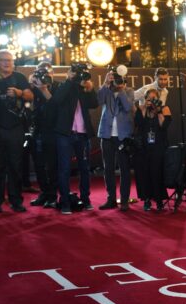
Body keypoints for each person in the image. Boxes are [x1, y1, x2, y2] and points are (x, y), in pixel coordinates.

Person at [0, 50, 34, 213]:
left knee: (15, 166)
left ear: (13, 63)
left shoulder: (19, 78)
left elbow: (30, 96)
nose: (6, 63)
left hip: (15, 128)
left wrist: (19, 93)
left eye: (9, 60)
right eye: (3, 60)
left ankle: (16, 201)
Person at [54, 65, 98, 215]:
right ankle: (65, 202)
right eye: (74, 73)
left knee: (85, 168)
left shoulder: (82, 88)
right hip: (65, 133)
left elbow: (94, 103)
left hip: (82, 134)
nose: (78, 76)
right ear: (68, 73)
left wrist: (89, 88)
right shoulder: (63, 86)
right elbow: (57, 100)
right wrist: (70, 81)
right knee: (64, 168)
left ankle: (86, 200)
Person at [97, 68, 134, 211]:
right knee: (108, 169)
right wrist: (106, 84)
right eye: (115, 78)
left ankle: (124, 200)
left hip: (123, 136)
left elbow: (127, 107)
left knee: (124, 169)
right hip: (106, 134)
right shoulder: (107, 90)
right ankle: (111, 199)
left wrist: (121, 90)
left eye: (119, 79)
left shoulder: (129, 91)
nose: (117, 81)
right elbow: (99, 100)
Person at [28, 62, 60, 208]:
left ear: (52, 73)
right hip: (37, 130)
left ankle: (53, 196)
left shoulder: (59, 86)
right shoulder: (34, 87)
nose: (44, 75)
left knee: (51, 166)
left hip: (53, 131)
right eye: (41, 72)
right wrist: (31, 85)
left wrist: (44, 88)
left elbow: (55, 105)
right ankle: (44, 193)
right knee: (39, 166)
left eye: (47, 72)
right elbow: (28, 101)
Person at [134, 89, 172, 211]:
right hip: (143, 147)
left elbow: (164, 126)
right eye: (149, 99)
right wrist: (144, 107)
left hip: (159, 146)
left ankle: (159, 199)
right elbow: (139, 124)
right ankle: (147, 199)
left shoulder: (164, 109)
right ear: (145, 99)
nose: (152, 101)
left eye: (154, 98)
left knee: (157, 173)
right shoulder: (141, 108)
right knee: (145, 173)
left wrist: (159, 110)